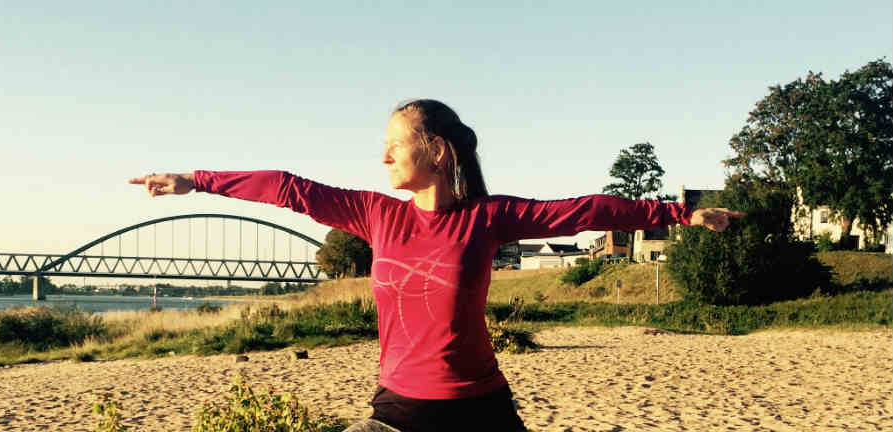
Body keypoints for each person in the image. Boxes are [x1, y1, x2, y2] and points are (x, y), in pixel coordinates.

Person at [129, 99, 744, 432]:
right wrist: (195, 181)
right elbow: (289, 188)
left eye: (395, 143)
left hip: (481, 408)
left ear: (436, 150)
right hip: (399, 409)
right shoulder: (374, 215)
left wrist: (679, 214)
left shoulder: (487, 218)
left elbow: (580, 211)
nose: (383, 155)